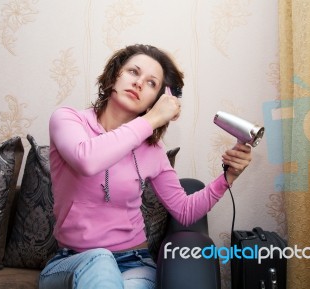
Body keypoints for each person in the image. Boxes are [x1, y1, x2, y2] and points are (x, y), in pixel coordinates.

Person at [39, 44, 252, 289]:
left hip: (134, 262)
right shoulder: (68, 120)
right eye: (133, 72)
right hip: (72, 261)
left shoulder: (152, 150)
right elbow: (87, 159)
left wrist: (228, 177)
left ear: (158, 99)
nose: (139, 83)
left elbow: (184, 211)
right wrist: (152, 120)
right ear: (114, 75)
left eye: (151, 83)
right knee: (100, 259)